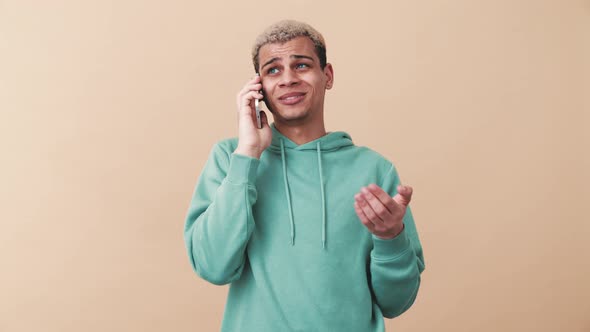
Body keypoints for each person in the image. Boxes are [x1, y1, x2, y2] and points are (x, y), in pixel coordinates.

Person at [183, 20, 425, 332]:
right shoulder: (231, 159)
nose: (287, 79)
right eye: (272, 70)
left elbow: (397, 302)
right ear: (258, 88)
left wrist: (391, 238)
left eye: (301, 65)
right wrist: (247, 156)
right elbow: (212, 266)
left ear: (328, 76)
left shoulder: (374, 170)